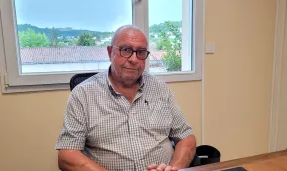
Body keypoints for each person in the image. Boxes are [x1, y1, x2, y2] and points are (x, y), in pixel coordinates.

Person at [55, 25, 196, 171]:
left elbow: (186, 137)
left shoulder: (160, 88)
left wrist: (174, 168)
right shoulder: (83, 94)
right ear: (110, 52)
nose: (134, 59)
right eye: (126, 50)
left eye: (141, 52)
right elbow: (67, 154)